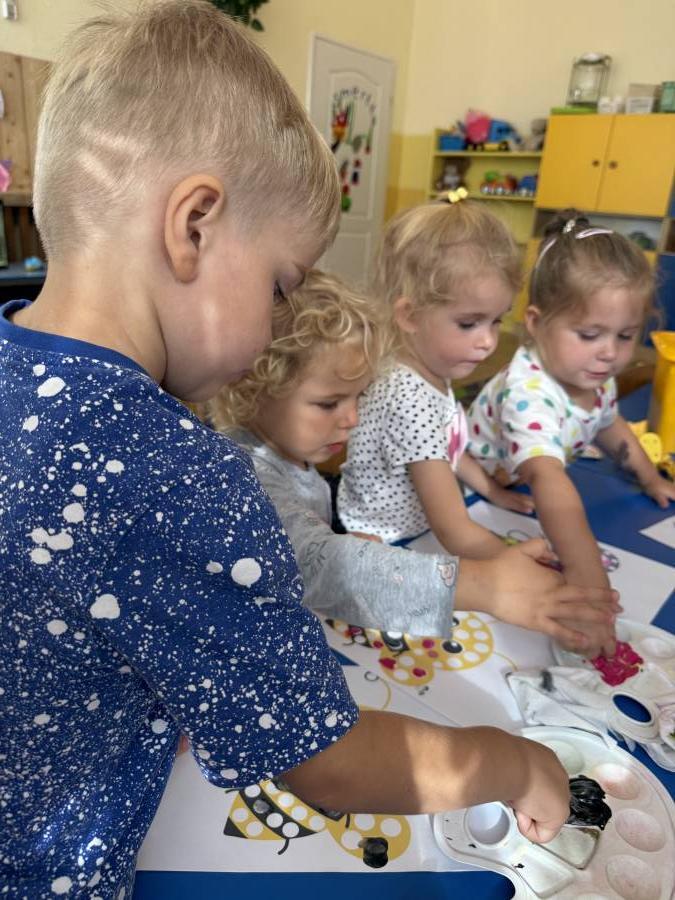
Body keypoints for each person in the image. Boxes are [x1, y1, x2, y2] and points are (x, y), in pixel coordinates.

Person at [0, 5, 577, 895]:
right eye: (280, 286)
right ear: (193, 225)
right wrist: (511, 761)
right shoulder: (174, 470)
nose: (277, 326)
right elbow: (325, 759)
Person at [209, 269, 618, 646]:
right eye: (328, 403)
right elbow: (313, 566)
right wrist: (487, 585)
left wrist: (337, 541)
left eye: (358, 397)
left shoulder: (287, 448)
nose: (352, 419)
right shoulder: (243, 476)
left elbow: (303, 544)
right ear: (250, 388)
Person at [466, 212, 675, 600]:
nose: (609, 353)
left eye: (625, 335)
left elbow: (609, 424)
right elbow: (547, 476)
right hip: (470, 486)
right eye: (590, 334)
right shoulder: (528, 391)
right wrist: (586, 575)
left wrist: (650, 478)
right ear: (535, 322)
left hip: (518, 481)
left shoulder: (592, 372)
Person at [338, 199, 535, 560]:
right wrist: (516, 563)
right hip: (385, 546)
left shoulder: (429, 370)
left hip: (417, 530)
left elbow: (447, 448)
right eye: (469, 323)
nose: (488, 341)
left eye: (496, 321)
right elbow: (452, 528)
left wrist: (493, 491)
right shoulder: (408, 397)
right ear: (410, 315)